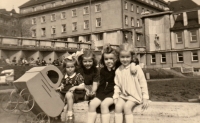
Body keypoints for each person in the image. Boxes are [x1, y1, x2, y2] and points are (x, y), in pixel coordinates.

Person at [113, 43, 149, 123]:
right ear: (118, 57)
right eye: (122, 57)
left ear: (132, 57)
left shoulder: (136, 68)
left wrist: (145, 97)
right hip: (123, 96)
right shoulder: (118, 70)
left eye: (127, 57)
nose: (125, 59)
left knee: (127, 107)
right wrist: (116, 96)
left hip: (134, 96)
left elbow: (143, 83)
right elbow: (117, 85)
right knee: (118, 107)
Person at [87, 44, 120, 123]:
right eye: (106, 59)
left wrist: (132, 65)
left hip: (115, 92)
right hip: (104, 92)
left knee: (104, 104)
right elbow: (102, 84)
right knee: (92, 104)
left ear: (116, 59)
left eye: (111, 59)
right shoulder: (103, 70)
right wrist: (96, 93)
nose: (109, 61)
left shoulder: (119, 68)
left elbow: (132, 61)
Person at [57, 56, 85, 123]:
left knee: (69, 95)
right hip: (64, 93)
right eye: (68, 67)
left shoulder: (78, 76)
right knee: (57, 95)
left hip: (75, 93)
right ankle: (58, 114)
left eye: (72, 67)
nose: (70, 69)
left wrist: (75, 87)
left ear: (75, 67)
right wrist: (60, 87)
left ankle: (70, 114)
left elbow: (83, 87)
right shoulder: (65, 76)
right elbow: (63, 85)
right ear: (65, 68)